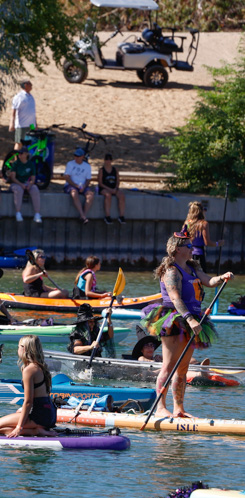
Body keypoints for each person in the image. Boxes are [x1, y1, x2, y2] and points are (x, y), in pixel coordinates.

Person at [142, 231, 233, 418]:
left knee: (182, 369)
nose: (193, 249)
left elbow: (209, 281)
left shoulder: (192, 268)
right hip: (174, 319)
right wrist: (190, 320)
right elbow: (175, 298)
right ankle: (160, 408)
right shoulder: (171, 271)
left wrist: (222, 277)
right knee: (168, 366)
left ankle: (179, 409)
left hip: (193, 318)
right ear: (177, 249)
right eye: (189, 246)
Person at [0, 336, 57, 437]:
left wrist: (19, 427)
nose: (17, 350)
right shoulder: (40, 366)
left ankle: (37, 431)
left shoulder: (29, 370)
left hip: (40, 416)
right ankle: (38, 428)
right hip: (50, 414)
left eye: (18, 347)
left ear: (24, 348)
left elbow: (28, 401)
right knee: (19, 412)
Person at [183, 201, 220, 272]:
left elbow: (184, 238)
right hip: (198, 255)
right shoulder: (204, 224)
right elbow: (207, 243)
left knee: (189, 276)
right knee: (201, 277)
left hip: (188, 254)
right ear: (201, 211)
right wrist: (218, 243)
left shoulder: (187, 223)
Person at [7, 147, 42, 223]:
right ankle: (18, 212)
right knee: (18, 190)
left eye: (21, 153)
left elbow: (33, 178)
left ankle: (37, 214)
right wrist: (21, 184)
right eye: (19, 153)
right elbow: (13, 178)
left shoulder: (30, 164)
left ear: (26, 154)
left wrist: (30, 184)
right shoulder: (16, 164)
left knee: (35, 189)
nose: (19, 155)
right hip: (16, 183)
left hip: (27, 183)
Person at [64, 148, 94, 224]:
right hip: (71, 185)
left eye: (78, 156)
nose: (76, 158)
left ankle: (83, 215)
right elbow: (67, 177)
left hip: (83, 186)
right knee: (74, 193)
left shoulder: (87, 166)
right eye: (75, 156)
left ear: (82, 157)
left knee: (90, 195)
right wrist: (75, 185)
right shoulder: (70, 164)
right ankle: (82, 215)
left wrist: (84, 186)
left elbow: (88, 179)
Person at [98, 154, 125, 224]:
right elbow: (100, 183)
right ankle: (107, 216)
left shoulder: (115, 170)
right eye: (106, 159)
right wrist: (109, 189)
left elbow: (118, 181)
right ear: (104, 161)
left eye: (109, 160)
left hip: (114, 188)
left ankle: (121, 216)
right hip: (104, 188)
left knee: (121, 195)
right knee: (108, 195)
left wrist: (116, 188)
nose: (108, 161)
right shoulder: (101, 170)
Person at [9, 79, 36, 151]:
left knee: (30, 142)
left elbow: (32, 111)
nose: (31, 85)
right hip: (22, 125)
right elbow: (13, 111)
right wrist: (12, 123)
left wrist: (36, 123)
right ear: (25, 85)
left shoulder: (31, 96)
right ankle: (16, 159)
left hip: (31, 125)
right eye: (30, 84)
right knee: (19, 143)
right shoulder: (19, 97)